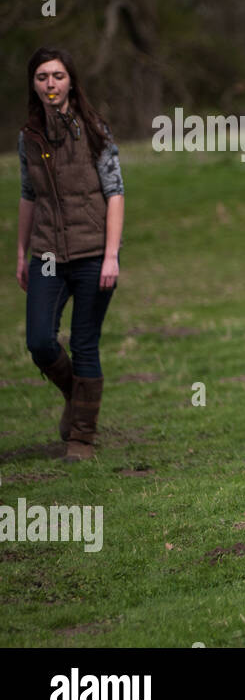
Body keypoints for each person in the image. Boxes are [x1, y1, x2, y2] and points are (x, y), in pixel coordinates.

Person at [15, 47, 124, 461]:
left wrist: (111, 255)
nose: (50, 84)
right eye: (42, 77)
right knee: (40, 341)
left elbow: (115, 193)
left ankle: (81, 437)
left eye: (57, 76)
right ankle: (77, 398)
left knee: (84, 343)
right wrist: (21, 253)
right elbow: (28, 196)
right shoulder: (28, 137)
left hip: (94, 251)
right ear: (34, 85)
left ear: (71, 82)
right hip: (46, 254)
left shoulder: (96, 129)